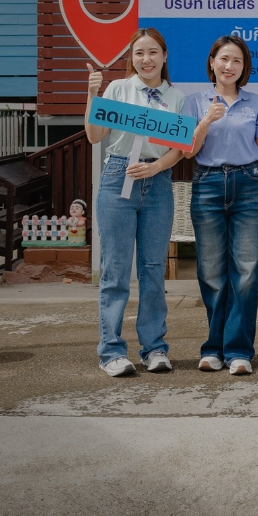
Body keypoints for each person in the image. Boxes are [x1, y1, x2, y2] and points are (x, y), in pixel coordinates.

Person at [84, 28, 187, 377]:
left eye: (153, 52)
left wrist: (155, 167)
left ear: (164, 56)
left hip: (157, 183)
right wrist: (92, 94)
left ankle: (154, 348)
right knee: (115, 270)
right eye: (139, 53)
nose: (146, 59)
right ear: (131, 57)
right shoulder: (118, 89)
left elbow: (179, 149)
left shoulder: (176, 97)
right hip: (118, 178)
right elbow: (95, 136)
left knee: (154, 269)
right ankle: (111, 351)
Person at [183, 35, 258, 375]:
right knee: (211, 272)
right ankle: (213, 348)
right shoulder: (194, 102)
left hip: (249, 183)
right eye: (224, 59)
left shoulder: (256, 103)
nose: (229, 66)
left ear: (244, 67)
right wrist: (206, 120)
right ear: (212, 62)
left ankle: (239, 350)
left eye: (237, 60)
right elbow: (188, 151)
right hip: (207, 184)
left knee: (247, 271)